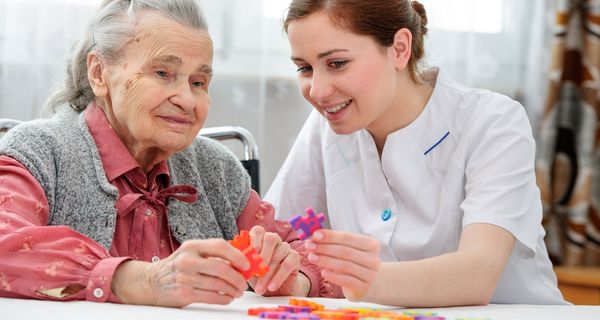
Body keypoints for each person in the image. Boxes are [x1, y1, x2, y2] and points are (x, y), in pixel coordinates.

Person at [0, 0, 339, 308]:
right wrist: (140, 280)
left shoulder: (217, 170)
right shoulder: (38, 151)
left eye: (198, 82)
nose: (187, 100)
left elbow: (313, 255)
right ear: (99, 73)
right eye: (163, 73)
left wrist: (291, 277)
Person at [265, 0, 566, 307]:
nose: (317, 91)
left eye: (337, 63)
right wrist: (286, 272)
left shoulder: (493, 122)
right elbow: (279, 235)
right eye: (304, 68)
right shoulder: (325, 126)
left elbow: (477, 275)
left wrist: (361, 281)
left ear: (399, 49)